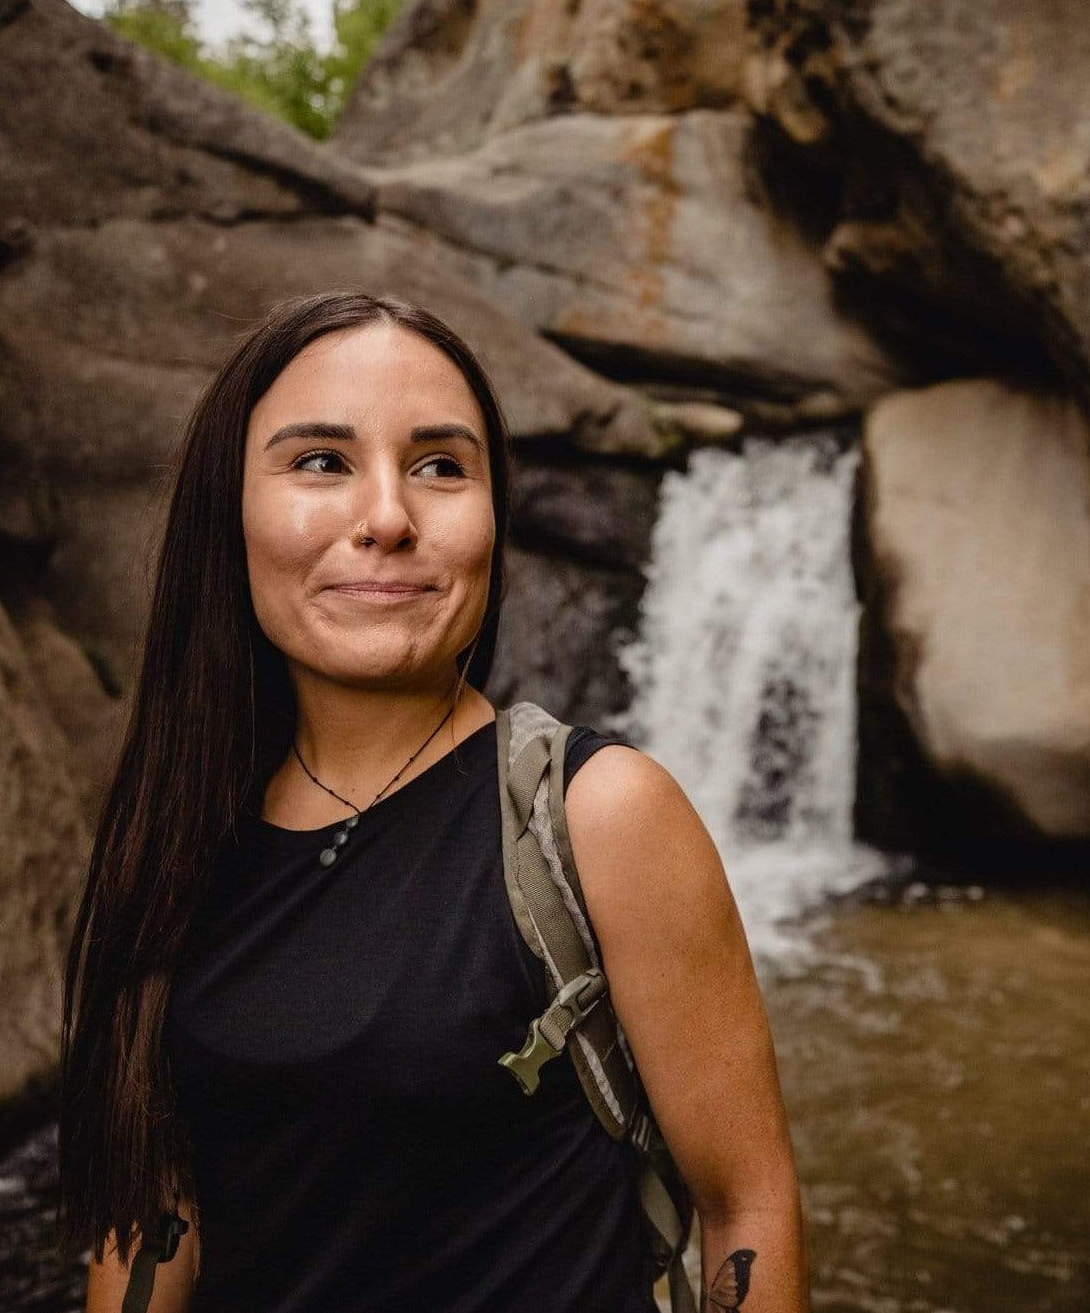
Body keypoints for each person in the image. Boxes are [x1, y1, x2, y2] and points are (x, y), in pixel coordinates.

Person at [59, 289, 809, 1313]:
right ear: (224, 511)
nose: (385, 517)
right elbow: (152, 1214)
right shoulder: (182, 829)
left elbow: (746, 1205)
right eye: (320, 460)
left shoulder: (600, 814)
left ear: (493, 519)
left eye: (440, 466)